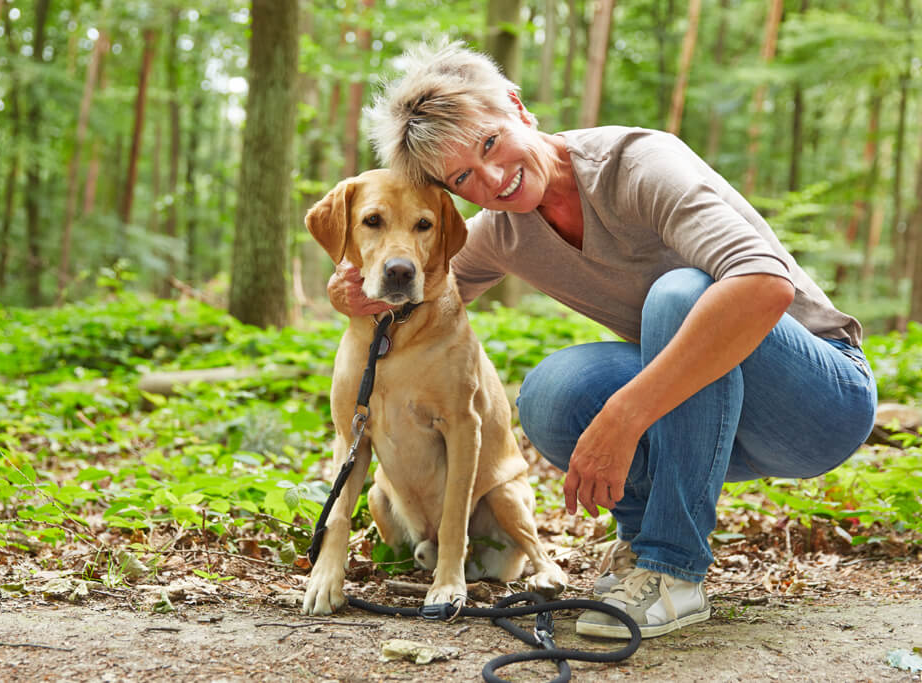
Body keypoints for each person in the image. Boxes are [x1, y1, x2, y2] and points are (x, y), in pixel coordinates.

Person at [326, 40, 877, 639]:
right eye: (463, 177)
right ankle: (642, 547)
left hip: (820, 402)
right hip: (718, 412)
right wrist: (352, 293)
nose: (492, 178)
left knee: (681, 293)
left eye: (490, 144)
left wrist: (626, 414)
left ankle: (675, 569)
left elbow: (764, 286)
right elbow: (424, 287)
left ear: (516, 105)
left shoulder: (639, 164)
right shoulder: (502, 231)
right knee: (552, 392)